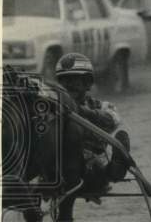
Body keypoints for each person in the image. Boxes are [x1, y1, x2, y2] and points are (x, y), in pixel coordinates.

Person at [54, 53, 131, 202]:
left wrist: (83, 112)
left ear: (87, 83)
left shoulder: (98, 106)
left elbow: (114, 119)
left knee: (120, 138)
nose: (68, 85)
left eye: (74, 80)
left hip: (92, 171)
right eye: (64, 81)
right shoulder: (54, 107)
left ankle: (115, 169)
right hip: (60, 169)